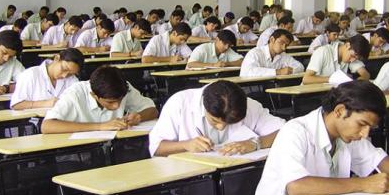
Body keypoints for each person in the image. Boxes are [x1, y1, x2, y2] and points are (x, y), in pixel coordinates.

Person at [253, 81, 389, 195]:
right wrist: (363, 184)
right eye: (362, 124)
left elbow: (379, 159)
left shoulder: (348, 134)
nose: (365, 134)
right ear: (339, 111)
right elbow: (295, 186)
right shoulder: (295, 131)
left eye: (370, 128)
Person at [149, 80, 284, 156]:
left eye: (229, 122)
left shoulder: (249, 105)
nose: (221, 127)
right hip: (188, 178)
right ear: (204, 105)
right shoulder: (179, 103)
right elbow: (156, 148)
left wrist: (256, 143)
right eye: (215, 121)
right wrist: (186, 145)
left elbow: (286, 131)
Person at [41, 66, 158, 133]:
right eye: (110, 102)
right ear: (94, 95)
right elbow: (46, 126)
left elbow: (153, 110)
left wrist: (139, 116)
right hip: (80, 151)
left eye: (120, 100)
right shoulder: (75, 93)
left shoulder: (123, 86)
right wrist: (100, 126)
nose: (117, 106)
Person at [11, 48, 84, 110]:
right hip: (34, 120)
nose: (64, 76)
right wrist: (45, 103)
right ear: (56, 58)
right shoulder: (30, 74)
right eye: (64, 69)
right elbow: (16, 105)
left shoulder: (72, 80)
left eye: (70, 74)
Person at [303, 35, 371, 84]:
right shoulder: (323, 51)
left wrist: (355, 83)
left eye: (356, 58)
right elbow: (306, 79)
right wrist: (332, 79)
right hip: (310, 94)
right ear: (347, 45)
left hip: (330, 93)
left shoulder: (353, 55)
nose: (352, 60)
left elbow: (366, 75)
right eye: (352, 56)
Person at [240, 29, 304, 77]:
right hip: (252, 87)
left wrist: (289, 70)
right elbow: (249, 71)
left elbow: (300, 67)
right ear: (272, 39)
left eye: (286, 45)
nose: (284, 48)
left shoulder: (282, 55)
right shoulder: (255, 53)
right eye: (281, 43)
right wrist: (278, 72)